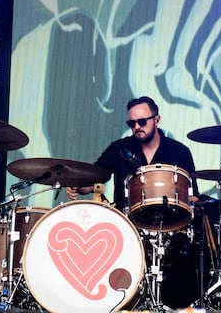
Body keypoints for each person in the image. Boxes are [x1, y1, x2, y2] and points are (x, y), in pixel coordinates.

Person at [67, 96, 200, 308]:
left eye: (142, 122)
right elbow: (95, 177)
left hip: (170, 229)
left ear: (157, 119)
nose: (136, 127)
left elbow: (192, 195)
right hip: (127, 226)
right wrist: (79, 185)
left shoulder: (179, 151)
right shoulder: (119, 148)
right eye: (131, 123)